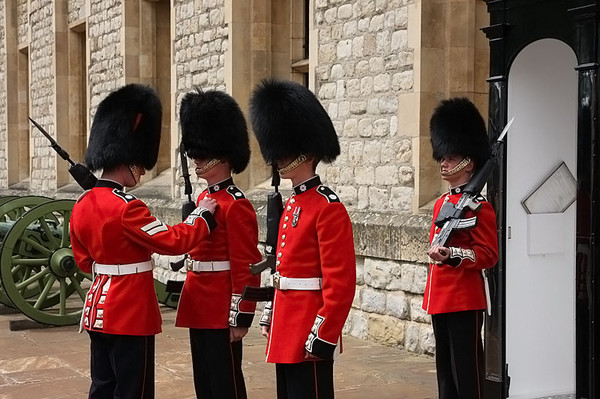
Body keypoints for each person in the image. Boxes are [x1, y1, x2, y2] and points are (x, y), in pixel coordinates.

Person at [69, 83, 218, 399]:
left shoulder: (82, 204)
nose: (141, 172)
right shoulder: (126, 207)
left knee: (103, 387)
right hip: (129, 313)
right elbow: (173, 241)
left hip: (97, 309)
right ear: (129, 161)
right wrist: (202, 217)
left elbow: (83, 260)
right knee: (134, 391)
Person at [249, 78, 356, 399]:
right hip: (287, 320)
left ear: (306, 153)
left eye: (286, 153)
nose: (278, 160)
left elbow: (340, 282)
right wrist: (271, 313)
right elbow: (282, 269)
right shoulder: (294, 202)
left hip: (310, 322)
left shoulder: (328, 207)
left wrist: (323, 333)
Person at [174, 88, 261, 398]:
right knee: (205, 384)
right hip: (199, 301)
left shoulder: (236, 204)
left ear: (222, 156)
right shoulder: (204, 198)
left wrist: (241, 314)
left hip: (221, 306)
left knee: (226, 385)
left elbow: (246, 265)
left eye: (203, 154)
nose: (196, 160)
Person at [423, 97, 499, 399]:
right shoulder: (442, 203)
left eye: (451, 157)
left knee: (467, 375)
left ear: (469, 162)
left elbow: (489, 255)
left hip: (464, 299)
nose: (444, 162)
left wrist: (454, 256)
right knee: (446, 376)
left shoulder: (481, 207)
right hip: (440, 297)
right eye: (443, 156)